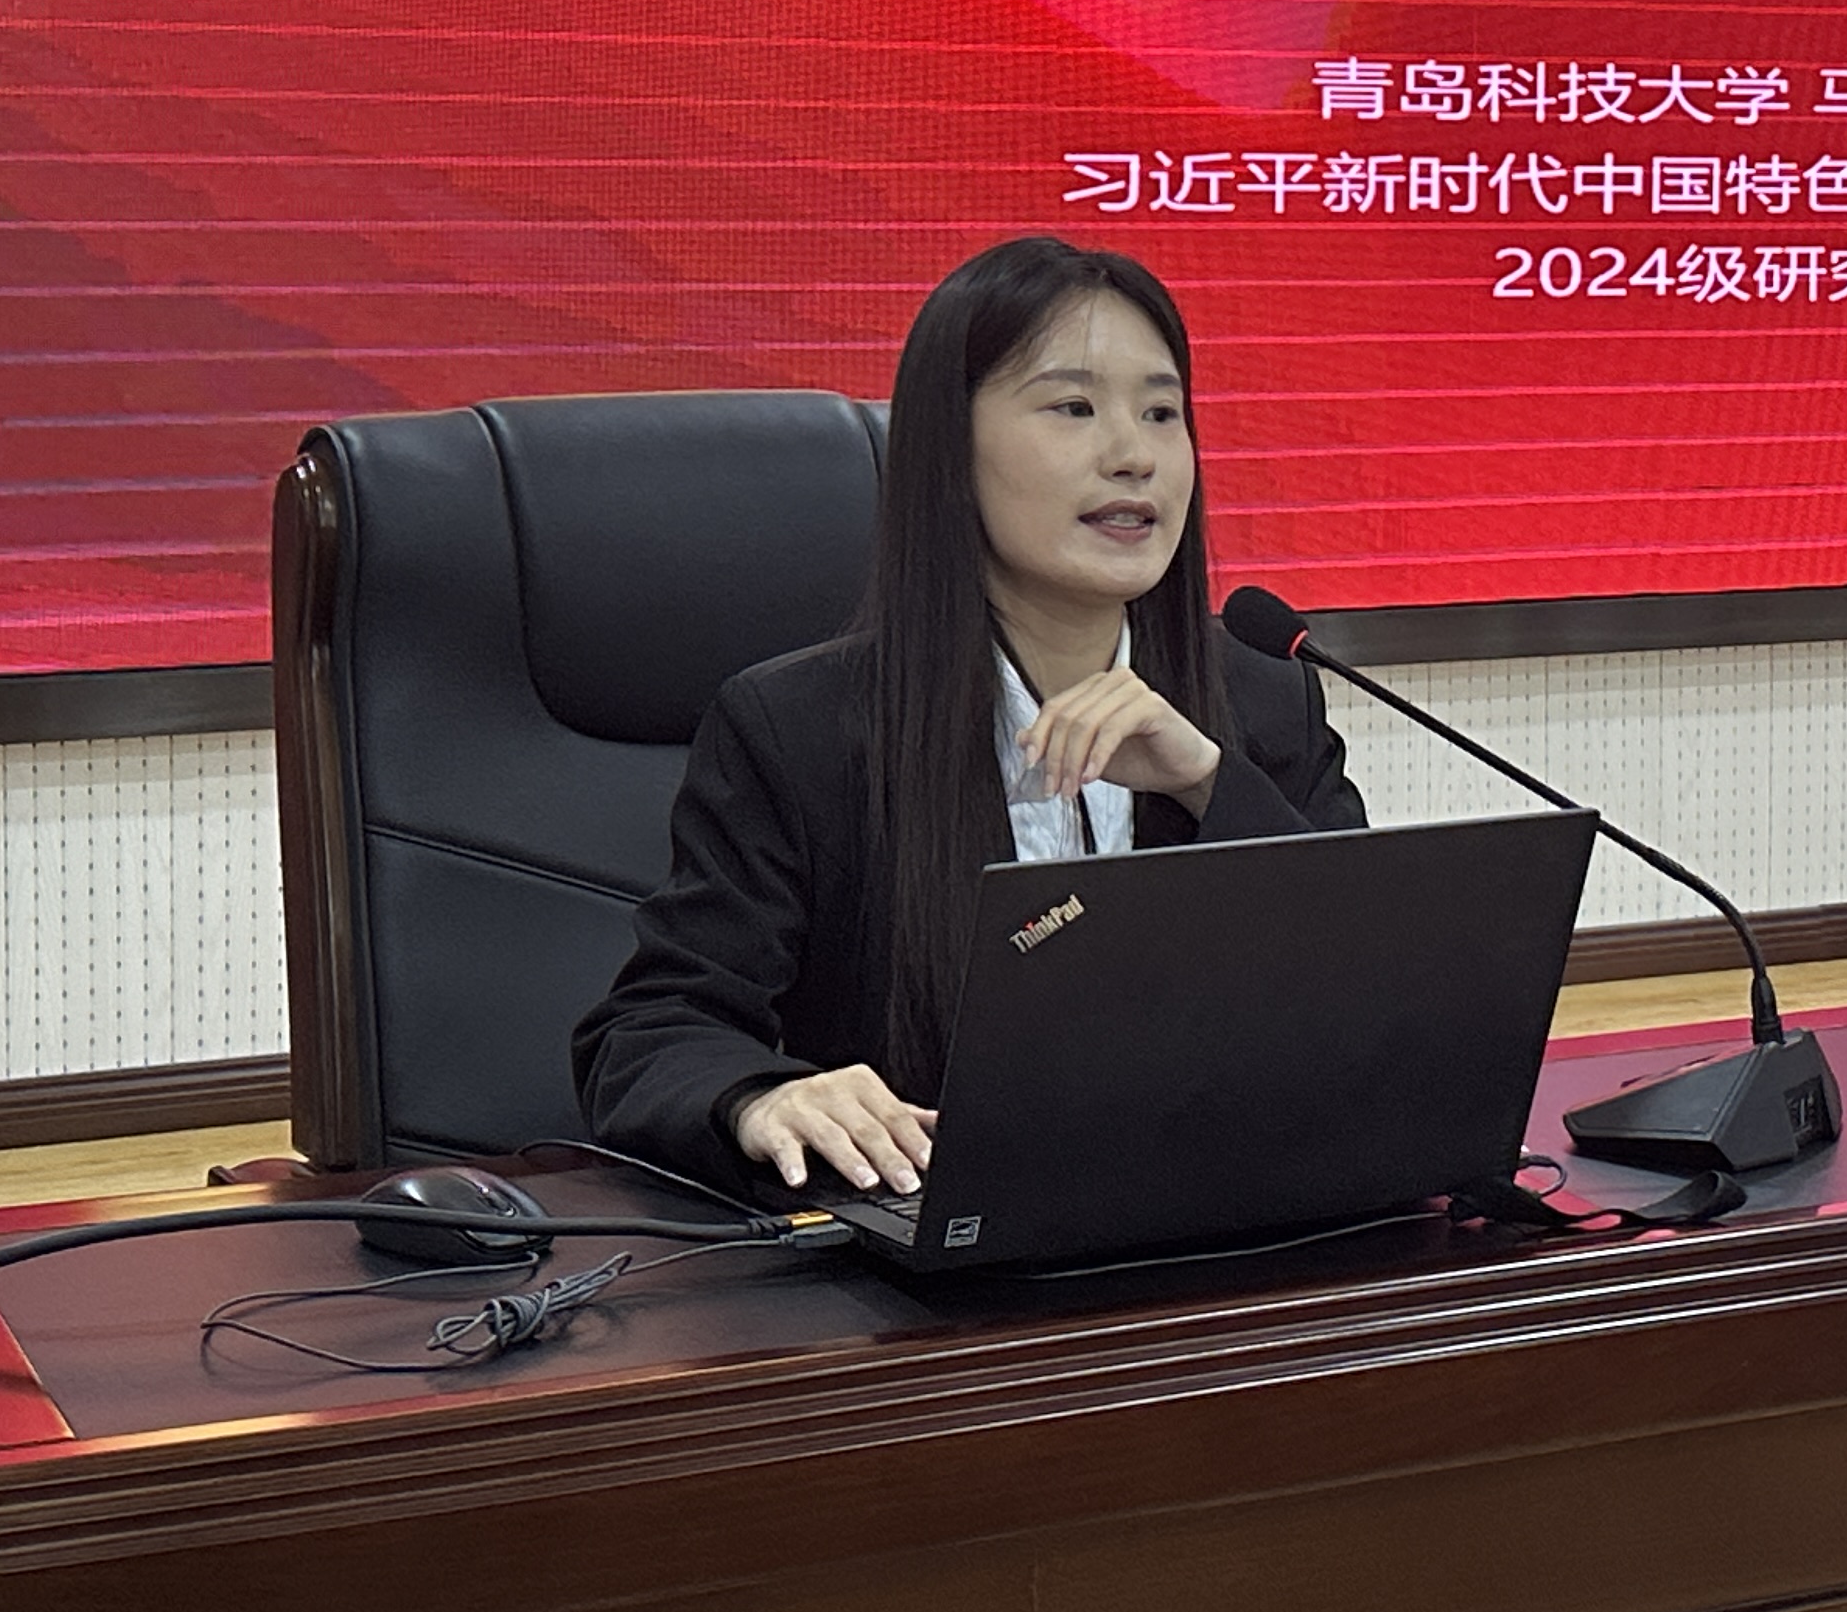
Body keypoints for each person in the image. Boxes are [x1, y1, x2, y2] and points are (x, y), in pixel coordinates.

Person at [575, 237, 1363, 1192]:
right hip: (932, 1245)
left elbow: (1374, 1003)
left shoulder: (1264, 702)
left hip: (1227, 1227)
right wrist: (763, 1096)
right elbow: (653, 1030)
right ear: (951, 447)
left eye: (1163, 413)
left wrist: (1209, 785)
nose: (1134, 456)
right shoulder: (803, 731)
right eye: (1074, 408)